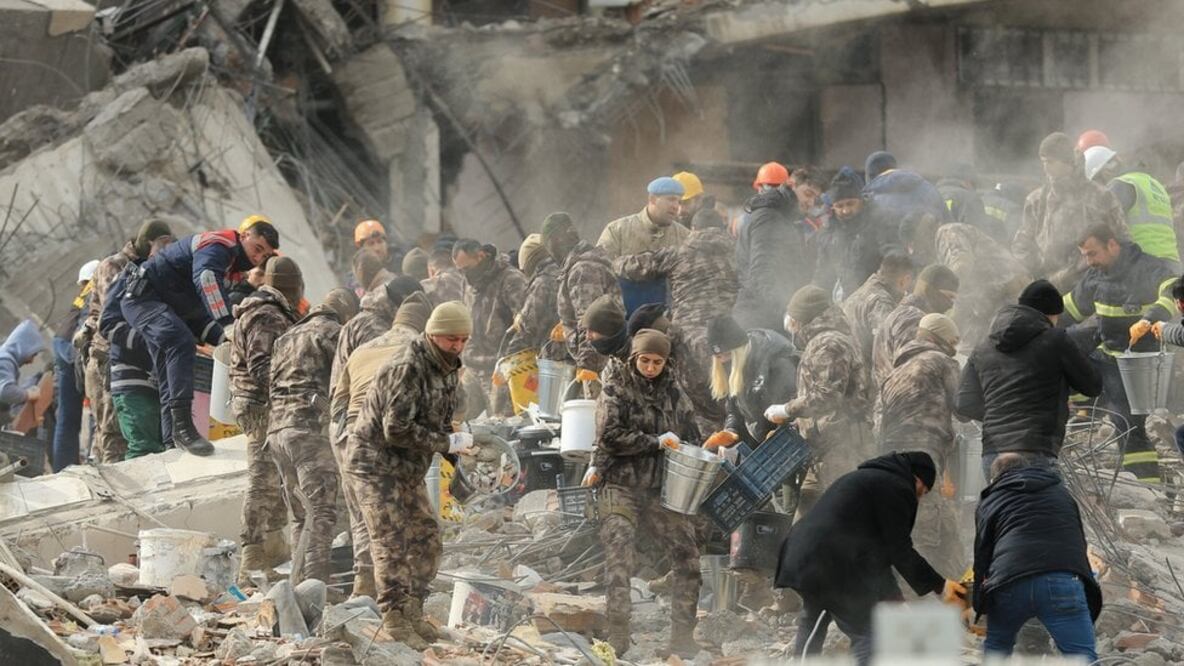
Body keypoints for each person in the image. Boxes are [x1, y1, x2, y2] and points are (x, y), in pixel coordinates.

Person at [344, 301, 473, 649]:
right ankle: (395, 618)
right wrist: (447, 441)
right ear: (432, 333)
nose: (457, 346)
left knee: (427, 536)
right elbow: (396, 429)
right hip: (374, 465)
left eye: (463, 339)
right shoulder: (407, 366)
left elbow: (438, 421)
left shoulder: (446, 367)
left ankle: (413, 609)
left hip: (406, 469)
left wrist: (456, 454)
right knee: (391, 541)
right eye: (451, 339)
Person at [775, 451, 966, 666]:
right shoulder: (897, 488)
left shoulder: (871, 480)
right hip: (828, 563)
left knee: (814, 619)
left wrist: (894, 598)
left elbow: (878, 554)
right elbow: (900, 549)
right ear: (919, 478)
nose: (919, 498)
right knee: (868, 632)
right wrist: (941, 585)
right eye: (923, 491)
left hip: (810, 556)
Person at [121, 223, 278, 456]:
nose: (257, 258)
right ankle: (183, 430)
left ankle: (172, 442)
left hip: (166, 305)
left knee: (169, 370)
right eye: (257, 248)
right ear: (244, 236)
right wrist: (227, 324)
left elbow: (198, 313)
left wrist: (226, 338)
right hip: (145, 300)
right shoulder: (219, 247)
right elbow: (205, 279)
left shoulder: (229, 265)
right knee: (181, 342)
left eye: (263, 255)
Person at [593, 329, 701, 658]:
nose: (651, 367)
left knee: (688, 555)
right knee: (620, 552)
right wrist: (654, 442)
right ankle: (618, 635)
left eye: (657, 362)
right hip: (620, 484)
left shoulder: (674, 392)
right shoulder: (616, 387)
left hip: (657, 488)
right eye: (645, 360)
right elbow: (608, 435)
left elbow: (691, 434)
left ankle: (683, 637)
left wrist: (696, 450)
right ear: (633, 358)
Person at [329, 293, 432, 598]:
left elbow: (338, 401)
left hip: (346, 437)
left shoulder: (362, 349)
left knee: (362, 515)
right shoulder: (419, 349)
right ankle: (398, 596)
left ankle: (363, 587)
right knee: (397, 520)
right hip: (384, 439)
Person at [1063, 224, 1177, 482]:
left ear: (1112, 245)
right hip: (1108, 355)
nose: (1089, 261)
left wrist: (1149, 319)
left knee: (1128, 424)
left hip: (1141, 364)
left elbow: (1173, 291)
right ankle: (1079, 408)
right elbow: (1067, 312)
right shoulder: (1096, 276)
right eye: (1085, 255)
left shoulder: (1149, 268)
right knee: (1063, 346)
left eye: (1093, 253)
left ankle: (1147, 488)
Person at [957, 280, 1102, 477]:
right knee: (1039, 507)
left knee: (1003, 507)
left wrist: (1000, 414)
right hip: (1036, 449)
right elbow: (1092, 386)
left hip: (993, 454)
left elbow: (963, 403)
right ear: (1052, 314)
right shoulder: (1055, 339)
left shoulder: (983, 347)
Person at [266, 288, 358, 585]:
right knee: (320, 512)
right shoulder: (336, 334)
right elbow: (349, 382)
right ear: (346, 313)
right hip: (308, 432)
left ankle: (296, 583)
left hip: (277, 432)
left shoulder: (286, 337)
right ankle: (316, 587)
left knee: (300, 515)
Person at [974, 453, 1102, 661]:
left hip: (1008, 582)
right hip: (1062, 581)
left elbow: (982, 553)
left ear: (995, 478)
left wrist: (979, 602)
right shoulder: (1062, 494)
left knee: (996, 651)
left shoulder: (992, 498)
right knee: (1083, 657)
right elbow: (1078, 541)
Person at [766, 286, 872, 516]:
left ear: (803, 317)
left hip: (842, 452)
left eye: (792, 317)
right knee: (806, 535)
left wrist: (787, 409)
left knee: (842, 526)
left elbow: (827, 396)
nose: (789, 323)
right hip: (824, 451)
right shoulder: (822, 341)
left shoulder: (829, 344)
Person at [77, 219, 175, 464]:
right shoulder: (115, 266)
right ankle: (114, 493)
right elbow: (119, 311)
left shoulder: (145, 267)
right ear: (148, 242)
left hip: (129, 358)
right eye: (162, 244)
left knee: (123, 431)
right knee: (112, 432)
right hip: (106, 358)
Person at [231, 256, 303, 586]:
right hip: (262, 405)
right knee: (262, 476)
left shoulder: (269, 310)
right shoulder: (267, 315)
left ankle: (273, 548)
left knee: (274, 474)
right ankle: (253, 552)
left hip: (263, 403)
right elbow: (263, 368)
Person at [874, 313, 963, 576]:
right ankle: (911, 606)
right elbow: (964, 408)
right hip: (923, 459)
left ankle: (962, 600)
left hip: (890, 459)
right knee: (922, 536)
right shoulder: (941, 362)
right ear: (942, 339)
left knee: (948, 535)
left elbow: (878, 418)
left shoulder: (895, 371)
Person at [614, 206, 738, 362]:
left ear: (693, 229)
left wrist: (614, 261)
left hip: (686, 334)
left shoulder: (678, 254)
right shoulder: (739, 256)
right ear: (722, 228)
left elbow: (632, 267)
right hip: (726, 339)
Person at [1012, 132, 1128, 290]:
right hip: (1046, 287)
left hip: (1090, 287)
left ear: (1067, 162)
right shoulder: (1037, 200)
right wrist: (1035, 273)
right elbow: (1022, 243)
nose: (1045, 167)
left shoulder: (1100, 196)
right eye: (1043, 162)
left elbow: (1121, 240)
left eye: (1051, 162)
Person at [901, 214, 1029, 350]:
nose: (921, 250)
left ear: (920, 234)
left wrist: (952, 307)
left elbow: (961, 265)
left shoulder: (946, 232)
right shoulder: (943, 242)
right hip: (995, 300)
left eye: (917, 244)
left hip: (1009, 295)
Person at [733, 162, 813, 331]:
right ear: (791, 186)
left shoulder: (784, 218)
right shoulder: (768, 218)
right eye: (807, 194)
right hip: (762, 319)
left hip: (766, 315)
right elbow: (762, 274)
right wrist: (786, 311)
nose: (810, 202)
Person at [543, 212, 623, 382]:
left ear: (554, 241)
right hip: (603, 358)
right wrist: (565, 325)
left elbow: (592, 321)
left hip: (600, 364)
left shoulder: (582, 270)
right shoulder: (583, 265)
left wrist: (589, 365)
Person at [451, 239, 527, 417]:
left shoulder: (511, 279)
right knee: (454, 418)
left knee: (502, 425)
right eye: (460, 271)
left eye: (467, 269)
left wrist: (508, 361)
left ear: (481, 256)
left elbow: (525, 324)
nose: (465, 275)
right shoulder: (467, 283)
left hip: (500, 368)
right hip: (472, 366)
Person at [598, 177, 691, 315]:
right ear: (652, 199)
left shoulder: (685, 236)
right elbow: (600, 271)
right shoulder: (618, 230)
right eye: (671, 199)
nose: (676, 206)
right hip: (621, 315)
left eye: (679, 201)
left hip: (666, 318)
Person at [703, 315, 797, 449]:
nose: (723, 361)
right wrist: (730, 431)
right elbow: (734, 409)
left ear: (740, 350)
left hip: (788, 440)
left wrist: (780, 429)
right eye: (718, 357)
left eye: (728, 355)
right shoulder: (730, 366)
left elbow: (793, 403)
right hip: (760, 440)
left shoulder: (776, 362)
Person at [1084, 145, 1180, 267]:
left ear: (1105, 171)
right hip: (1171, 263)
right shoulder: (1154, 184)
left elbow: (1102, 227)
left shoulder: (1119, 185)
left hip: (1144, 264)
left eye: (1096, 183)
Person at [871, 264, 960, 387]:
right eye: (948, 297)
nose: (950, 305)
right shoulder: (912, 318)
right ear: (928, 289)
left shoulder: (906, 313)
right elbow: (914, 373)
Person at [814, 167, 891, 300]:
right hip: (847, 300)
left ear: (861, 201)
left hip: (877, 299)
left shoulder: (879, 223)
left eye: (850, 204)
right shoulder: (829, 234)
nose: (845, 210)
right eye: (840, 206)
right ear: (832, 207)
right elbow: (823, 274)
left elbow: (891, 258)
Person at [51, 261, 95, 470]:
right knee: (95, 405)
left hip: (61, 343)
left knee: (68, 416)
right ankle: (91, 459)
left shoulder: (81, 295)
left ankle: (63, 468)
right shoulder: (96, 286)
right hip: (71, 347)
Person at [841, 251, 914, 372]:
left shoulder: (864, 291)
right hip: (864, 375)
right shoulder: (880, 302)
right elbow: (888, 345)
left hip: (849, 367)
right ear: (904, 280)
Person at [505, 234, 562, 361]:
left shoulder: (542, 282)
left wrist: (508, 357)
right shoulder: (566, 269)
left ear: (529, 262)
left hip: (557, 360)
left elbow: (529, 327)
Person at [862, 150, 950, 228]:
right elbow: (948, 223)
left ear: (870, 175)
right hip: (929, 244)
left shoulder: (869, 197)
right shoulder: (929, 188)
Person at [937, 163, 1004, 241]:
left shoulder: (933, 193)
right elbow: (978, 233)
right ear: (968, 182)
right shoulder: (969, 199)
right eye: (974, 185)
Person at [0, 321, 44, 427]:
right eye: (32, 355)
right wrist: (28, 394)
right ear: (23, 347)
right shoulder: (5, 361)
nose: (31, 361)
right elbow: (5, 392)